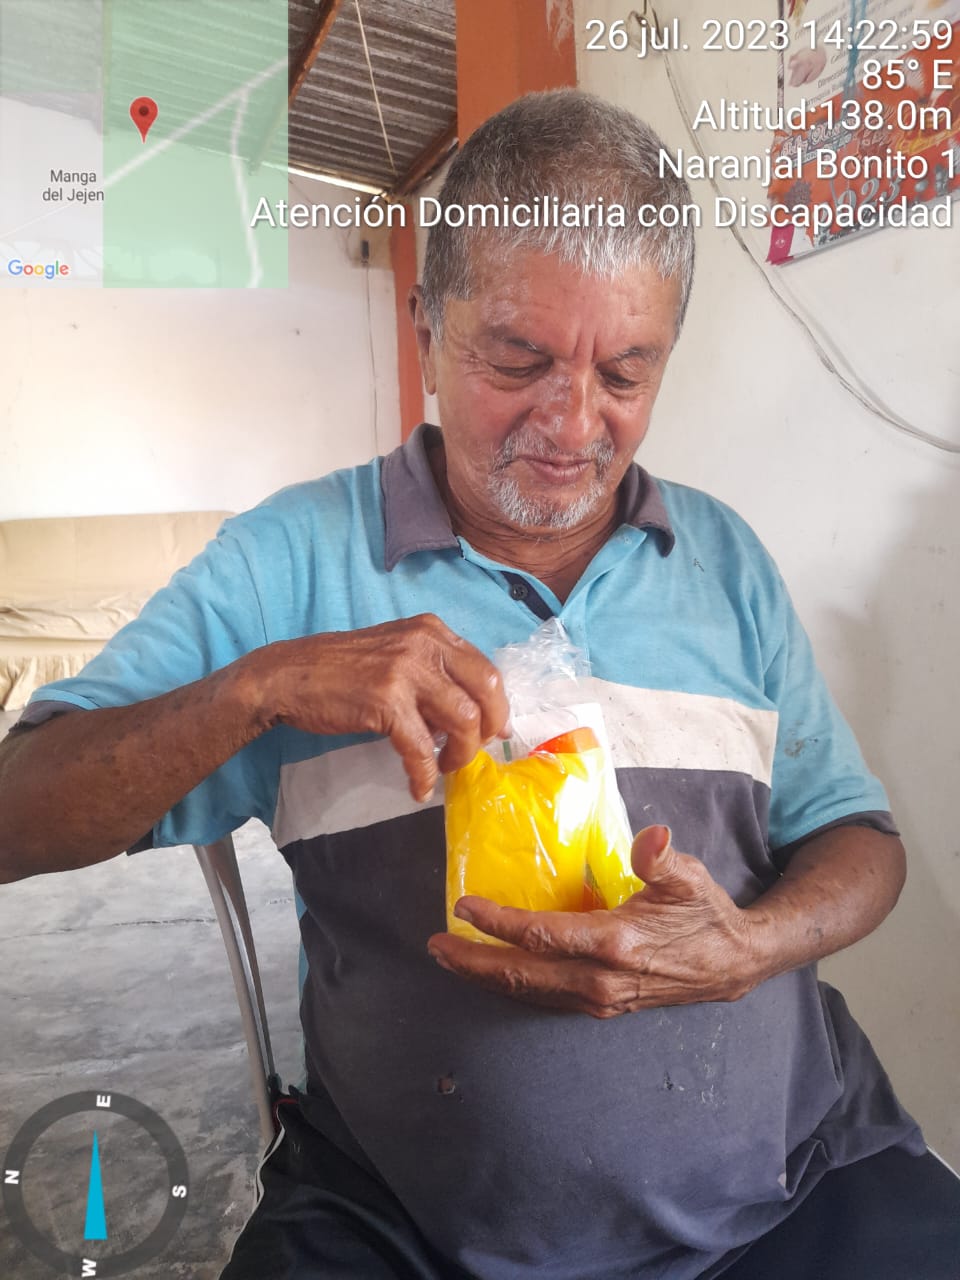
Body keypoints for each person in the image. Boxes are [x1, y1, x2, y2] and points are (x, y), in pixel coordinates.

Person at [1, 90, 957, 1280]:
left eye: (625, 371)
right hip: (410, 1227)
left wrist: (750, 946)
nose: (571, 422)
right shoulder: (288, 562)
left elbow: (861, 841)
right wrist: (259, 686)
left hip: (795, 1185)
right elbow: (17, 813)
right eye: (518, 359)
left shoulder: (724, 560)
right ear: (426, 330)